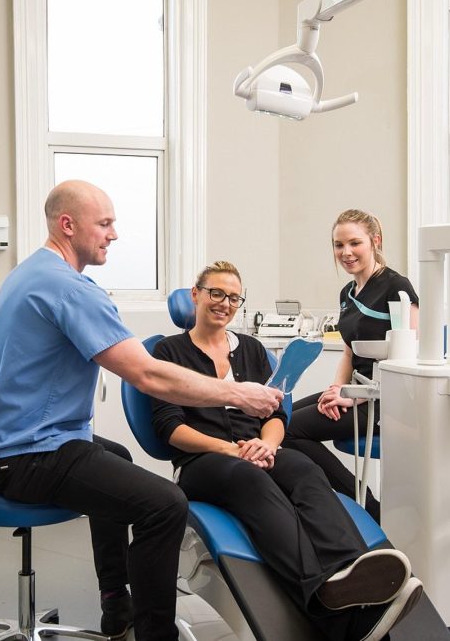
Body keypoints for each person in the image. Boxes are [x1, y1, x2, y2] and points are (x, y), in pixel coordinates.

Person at [0, 180, 285, 641]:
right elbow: (149, 376)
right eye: (104, 224)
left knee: (115, 458)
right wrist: (239, 395)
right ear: (67, 225)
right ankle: (154, 633)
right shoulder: (70, 289)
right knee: (164, 504)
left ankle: (115, 603)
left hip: (12, 443)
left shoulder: (29, 273)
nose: (113, 234)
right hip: (29, 454)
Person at [150, 260, 422, 641]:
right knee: (254, 482)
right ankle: (323, 600)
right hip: (203, 461)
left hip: (258, 450)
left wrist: (268, 443)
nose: (224, 303)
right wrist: (231, 450)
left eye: (233, 297)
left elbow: (276, 412)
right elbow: (170, 429)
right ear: (195, 295)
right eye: (216, 293)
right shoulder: (168, 351)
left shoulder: (252, 350)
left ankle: (351, 575)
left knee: (306, 470)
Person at [283, 209, 419, 522]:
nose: (346, 253)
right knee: (280, 416)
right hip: (354, 390)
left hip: (384, 399)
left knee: (287, 432)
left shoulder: (397, 287)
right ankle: (335, 503)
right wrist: (336, 389)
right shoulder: (347, 292)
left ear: (375, 242)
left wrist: (352, 396)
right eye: (338, 245)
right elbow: (348, 354)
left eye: (354, 243)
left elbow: (408, 359)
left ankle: (366, 507)